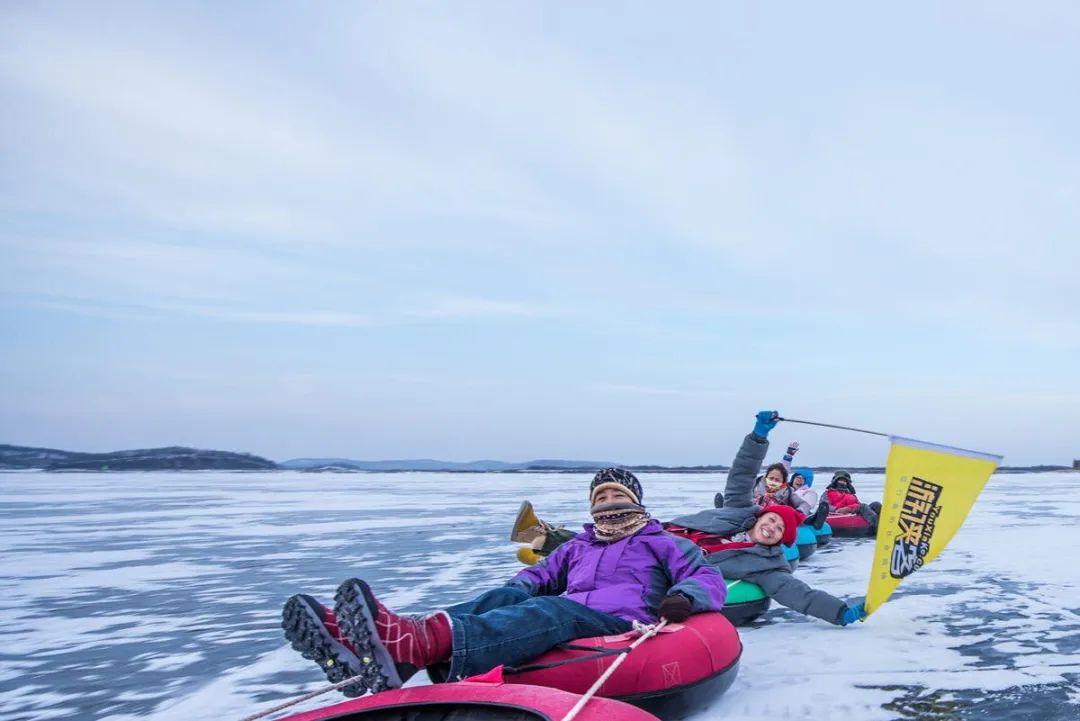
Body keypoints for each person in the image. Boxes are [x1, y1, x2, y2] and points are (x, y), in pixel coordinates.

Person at [282, 469, 728, 697]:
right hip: (578, 612)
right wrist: (518, 586)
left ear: (635, 500)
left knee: (551, 609)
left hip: (620, 621)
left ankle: (414, 647)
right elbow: (540, 574)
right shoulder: (580, 545)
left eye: (617, 495)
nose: (608, 502)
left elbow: (706, 575)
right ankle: (386, 652)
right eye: (600, 496)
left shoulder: (660, 541)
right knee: (510, 595)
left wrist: (683, 598)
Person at [517, 411, 867, 627]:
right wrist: (758, 436)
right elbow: (743, 474)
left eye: (778, 531)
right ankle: (543, 542)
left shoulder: (769, 567)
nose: (771, 527)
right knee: (608, 533)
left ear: (780, 541)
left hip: (659, 561)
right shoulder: (737, 511)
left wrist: (839, 612)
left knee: (617, 552)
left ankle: (543, 543)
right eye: (771, 520)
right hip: (654, 533)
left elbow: (799, 594)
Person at [806, 470, 881, 531]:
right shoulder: (828, 493)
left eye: (844, 481)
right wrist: (837, 509)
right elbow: (824, 506)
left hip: (853, 510)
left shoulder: (850, 494)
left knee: (876, 504)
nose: (842, 483)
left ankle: (887, 522)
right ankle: (878, 526)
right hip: (840, 512)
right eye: (840, 481)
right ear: (835, 482)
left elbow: (858, 504)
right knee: (863, 507)